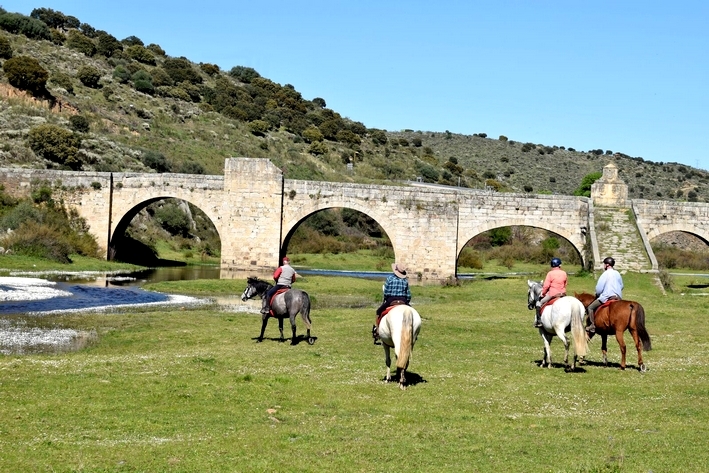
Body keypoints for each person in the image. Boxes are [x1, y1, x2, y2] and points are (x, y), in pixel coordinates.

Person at [373, 262, 412, 338]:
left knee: (378, 312)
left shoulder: (390, 279)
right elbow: (408, 295)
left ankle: (377, 330)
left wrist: (386, 299)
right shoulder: (405, 281)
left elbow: (386, 292)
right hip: (403, 301)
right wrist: (407, 301)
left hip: (391, 300)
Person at [586, 256, 623, 333]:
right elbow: (622, 286)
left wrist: (598, 294)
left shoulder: (605, 274)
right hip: (618, 297)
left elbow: (599, 288)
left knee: (590, 307)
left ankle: (592, 326)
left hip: (606, 297)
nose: (603, 266)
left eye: (604, 264)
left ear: (607, 265)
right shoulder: (617, 273)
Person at [534, 257, 568, 327]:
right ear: (559, 265)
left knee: (538, 303)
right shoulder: (564, 273)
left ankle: (539, 321)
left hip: (553, 294)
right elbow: (565, 284)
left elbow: (546, 286)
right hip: (563, 294)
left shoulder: (550, 273)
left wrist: (542, 294)